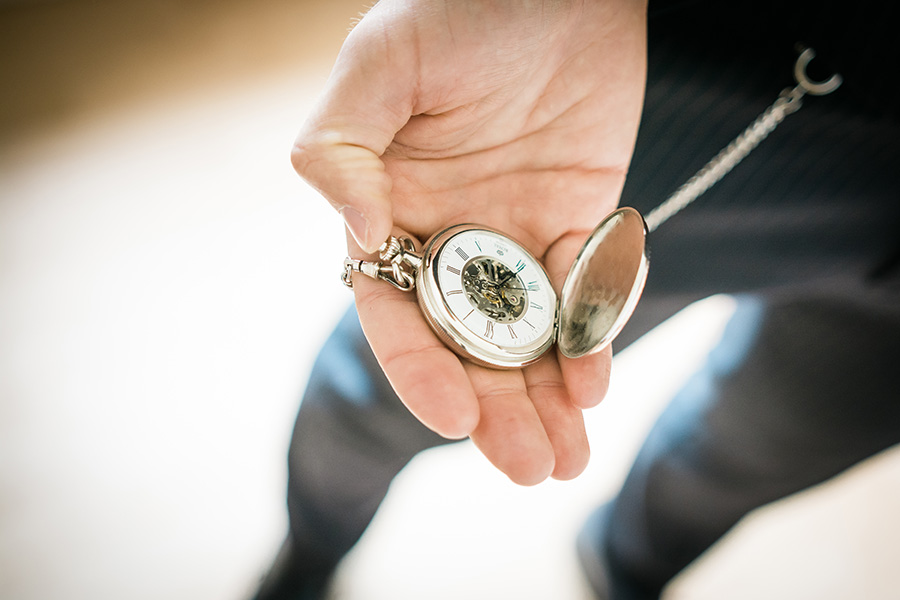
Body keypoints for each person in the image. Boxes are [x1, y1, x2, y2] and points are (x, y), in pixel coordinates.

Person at [254, 0, 900, 598]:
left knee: (752, 451)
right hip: (710, 67)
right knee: (379, 401)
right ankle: (313, 547)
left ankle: (622, 570)